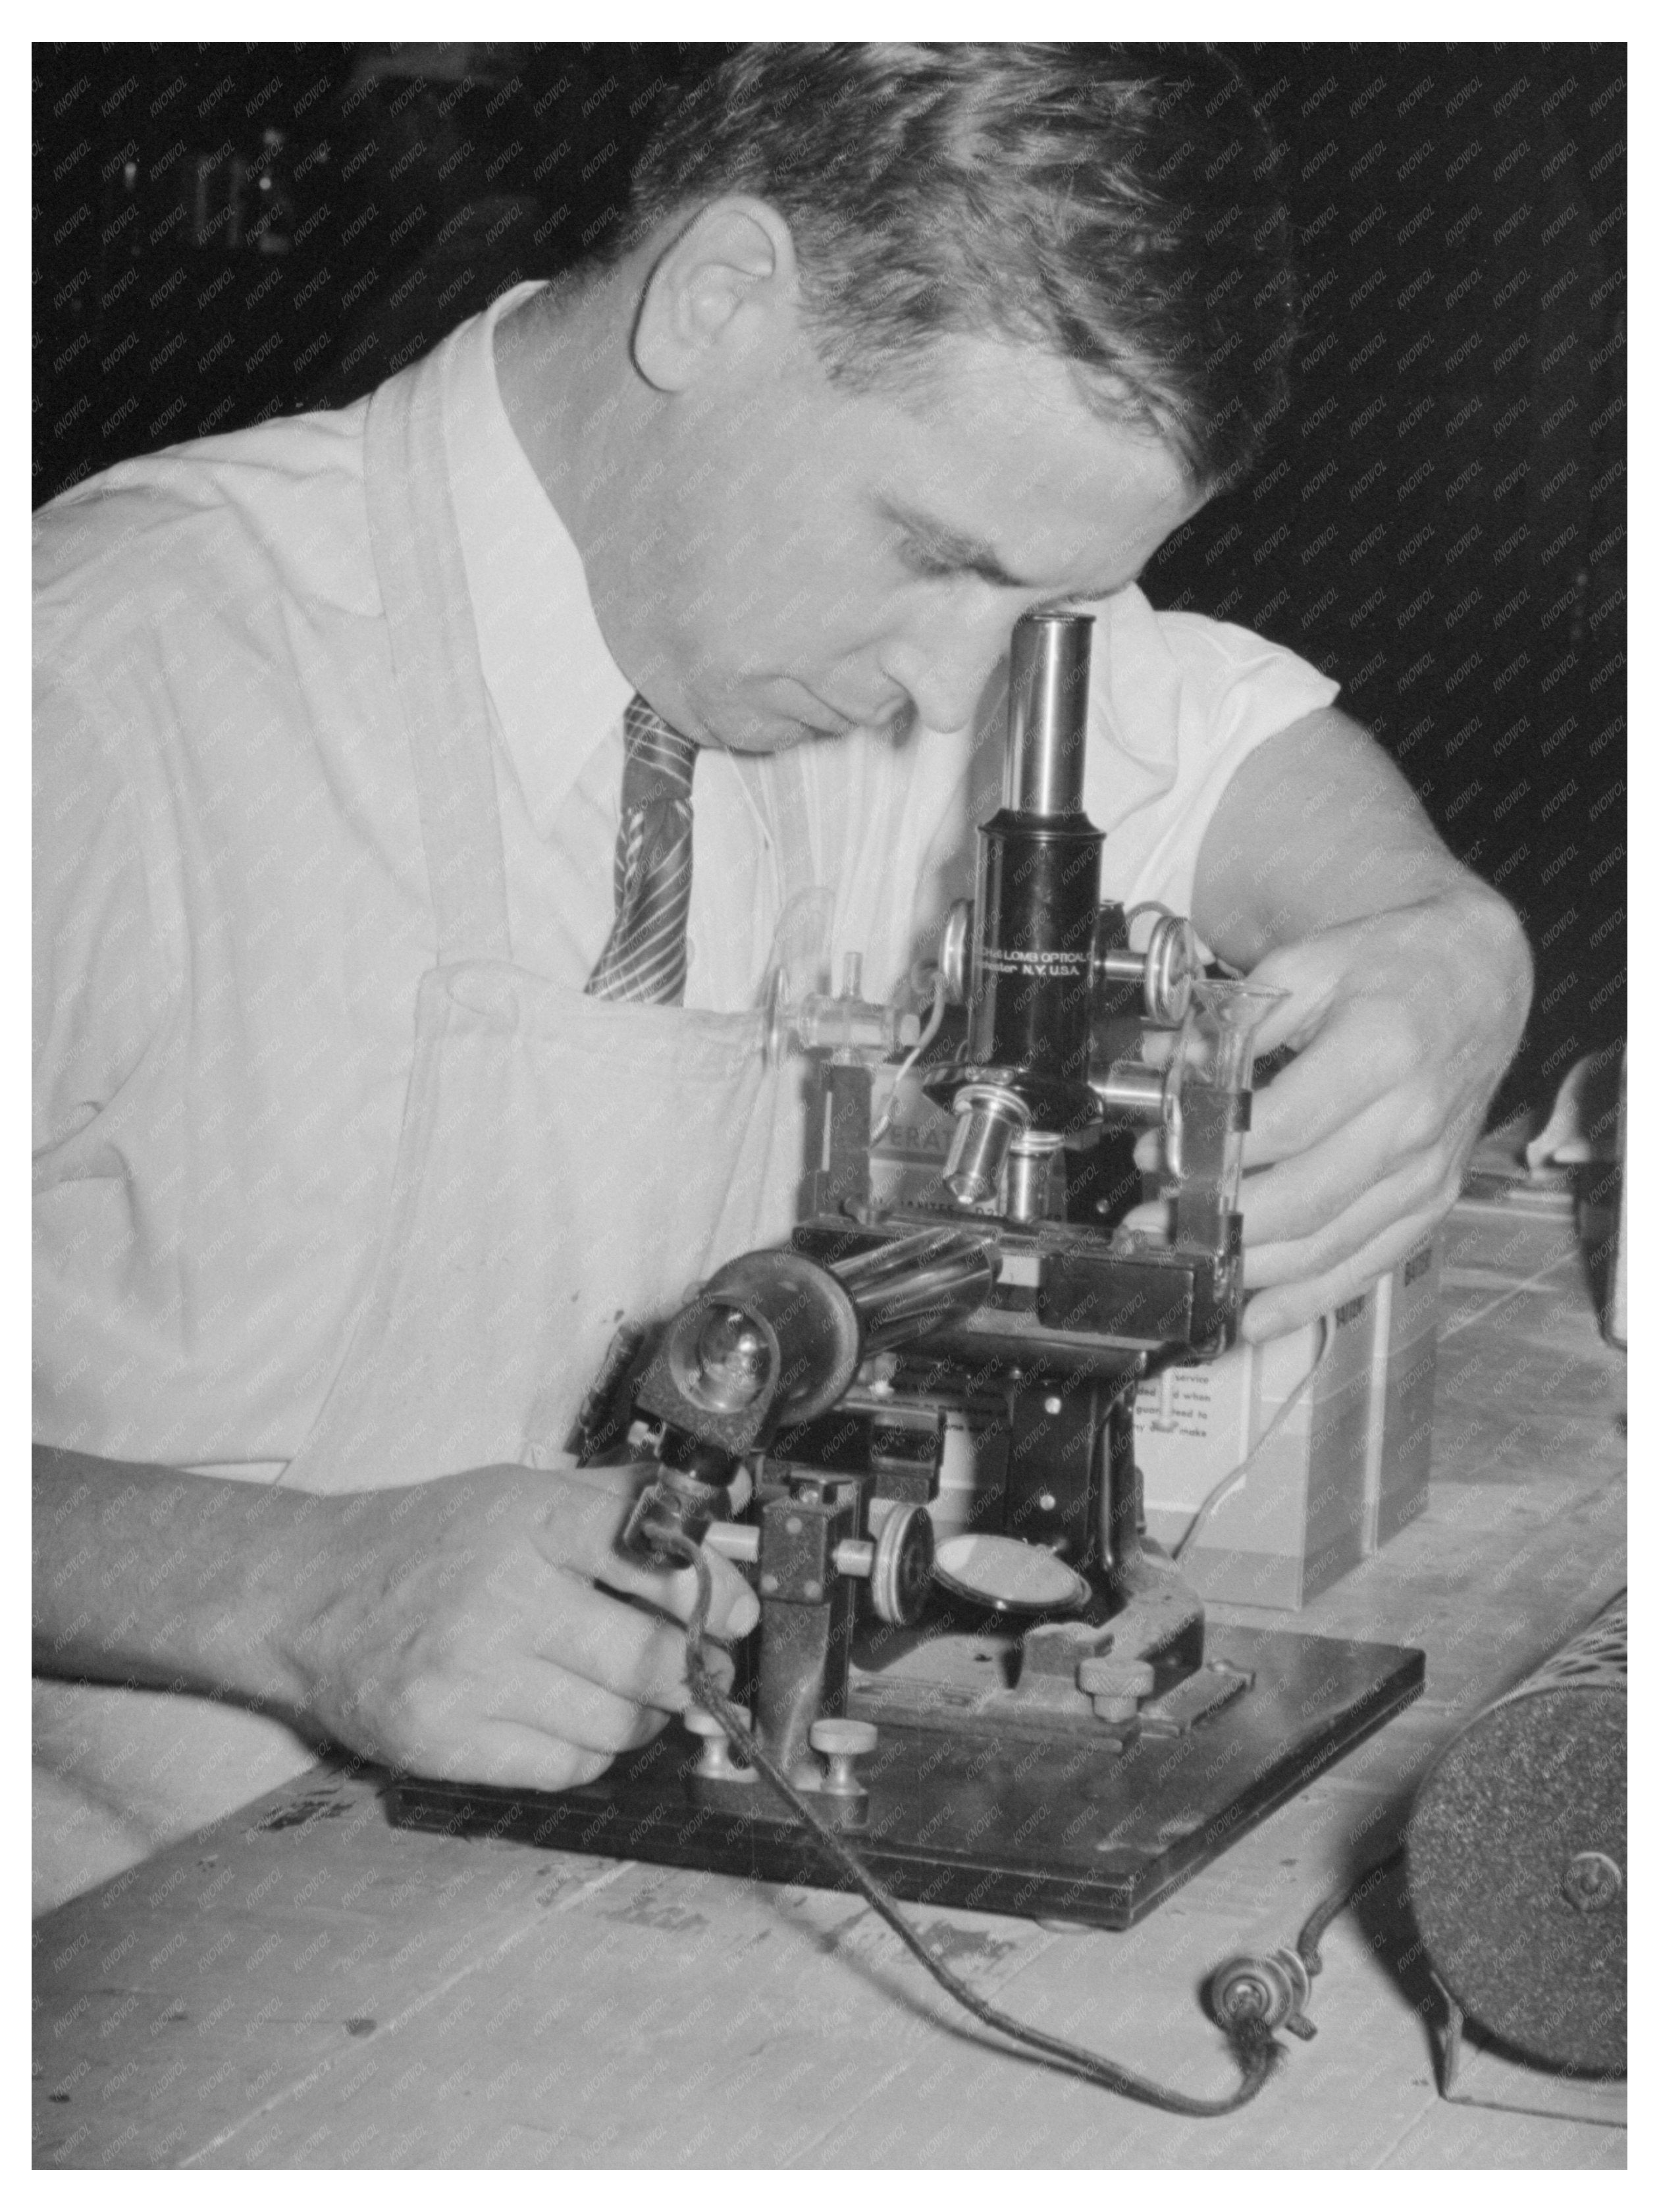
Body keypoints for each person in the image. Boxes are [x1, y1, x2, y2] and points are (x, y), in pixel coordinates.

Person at [32, 45, 1531, 1912]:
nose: (951, 696)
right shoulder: (104, 681)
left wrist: (1446, 946)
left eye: (1040, 618)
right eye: (935, 562)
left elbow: (1223, 744)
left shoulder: (865, 617)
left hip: (575, 1913)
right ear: (722, 299)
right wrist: (290, 1592)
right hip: (126, 1985)